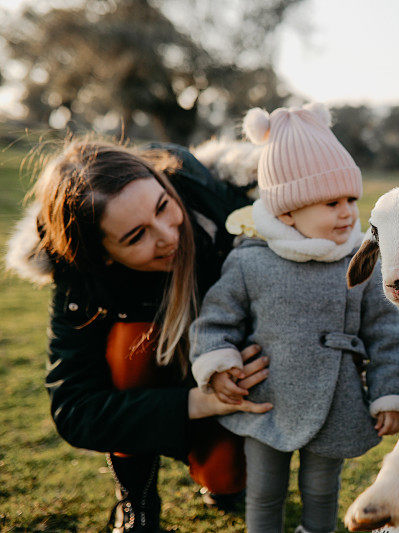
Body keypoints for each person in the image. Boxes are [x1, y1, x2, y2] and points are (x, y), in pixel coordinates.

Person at [6, 139, 272, 532]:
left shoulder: (219, 205)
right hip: (162, 387)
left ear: (162, 181)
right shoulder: (81, 276)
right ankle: (137, 496)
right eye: (136, 236)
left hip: (223, 366)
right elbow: (75, 409)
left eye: (164, 206)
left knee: (225, 478)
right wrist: (197, 403)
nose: (168, 235)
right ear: (103, 255)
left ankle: (222, 471)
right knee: (126, 346)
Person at [189, 103, 399, 533]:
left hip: (338, 399)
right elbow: (217, 320)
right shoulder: (250, 261)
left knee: (322, 488)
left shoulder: (361, 260)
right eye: (331, 202)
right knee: (264, 490)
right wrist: (218, 365)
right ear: (287, 211)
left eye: (351, 199)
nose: (347, 212)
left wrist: (388, 393)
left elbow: (384, 332)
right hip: (266, 400)